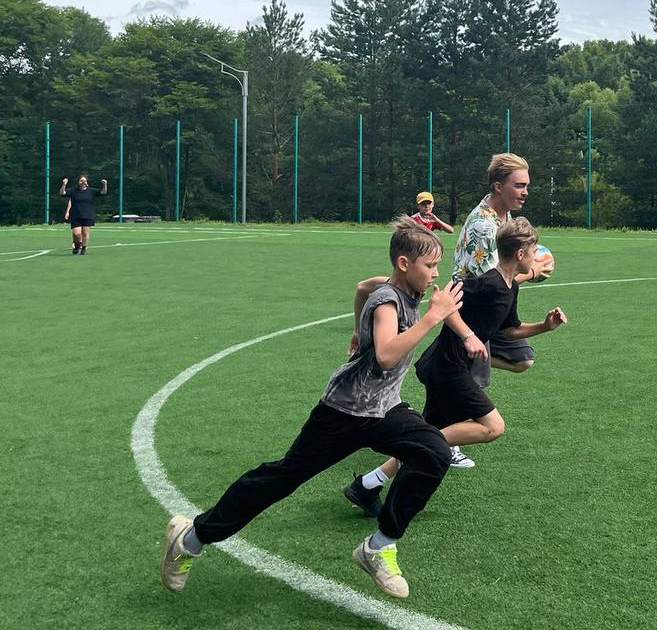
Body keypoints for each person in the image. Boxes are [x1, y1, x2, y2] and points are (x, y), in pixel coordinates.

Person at [160, 217, 463, 600]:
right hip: (345, 411)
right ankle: (191, 538)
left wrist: (358, 330)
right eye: (430, 266)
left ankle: (379, 546)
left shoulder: (400, 289)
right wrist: (433, 317)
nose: (435, 274)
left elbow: (362, 287)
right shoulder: (388, 301)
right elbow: (386, 355)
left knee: (434, 451)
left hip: (383, 408)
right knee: (283, 478)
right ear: (404, 264)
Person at [346, 152, 553, 493]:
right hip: (464, 326)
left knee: (441, 418)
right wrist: (531, 272)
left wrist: (544, 323)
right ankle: (429, 447)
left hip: (472, 331)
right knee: (479, 424)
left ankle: (369, 484)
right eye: (519, 185)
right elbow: (473, 288)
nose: (525, 191)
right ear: (498, 186)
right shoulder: (484, 228)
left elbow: (504, 296)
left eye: (526, 185)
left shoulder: (505, 219)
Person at [59, 175, 107, 255]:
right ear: (78, 182)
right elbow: (62, 193)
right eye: (81, 181)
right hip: (76, 215)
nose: (83, 182)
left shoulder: (91, 191)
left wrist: (105, 185)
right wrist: (64, 184)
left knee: (85, 234)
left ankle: (83, 248)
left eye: (84, 181)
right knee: (76, 234)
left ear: (87, 182)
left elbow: (103, 192)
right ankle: (77, 245)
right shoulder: (73, 191)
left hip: (87, 215)